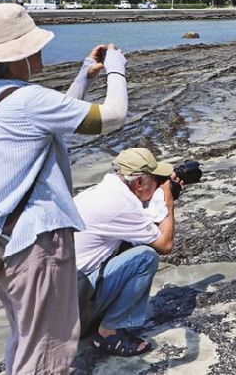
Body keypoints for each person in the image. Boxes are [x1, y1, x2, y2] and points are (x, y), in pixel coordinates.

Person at [0, 3, 128, 374]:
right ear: (16, 56)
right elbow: (112, 117)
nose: (39, 52)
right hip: (38, 239)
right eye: (33, 47)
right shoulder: (28, 101)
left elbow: (54, 118)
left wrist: (83, 76)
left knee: (25, 336)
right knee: (50, 347)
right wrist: (116, 71)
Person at [73, 148, 180, 357]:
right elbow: (165, 245)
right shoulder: (121, 206)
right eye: (155, 180)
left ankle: (94, 319)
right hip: (70, 308)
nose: (158, 185)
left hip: (55, 302)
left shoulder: (101, 193)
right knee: (145, 258)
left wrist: (160, 194)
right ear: (139, 183)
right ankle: (108, 333)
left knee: (127, 245)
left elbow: (142, 220)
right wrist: (168, 200)